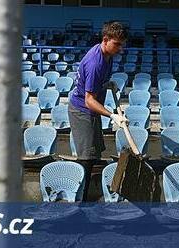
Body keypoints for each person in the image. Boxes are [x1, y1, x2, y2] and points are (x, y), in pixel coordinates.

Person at [68, 21, 128, 201]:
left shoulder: (107, 54)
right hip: (82, 110)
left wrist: (106, 84)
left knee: (95, 153)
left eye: (122, 44)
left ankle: (90, 193)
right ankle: (80, 200)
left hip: (90, 110)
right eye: (117, 44)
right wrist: (112, 115)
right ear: (105, 39)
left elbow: (94, 84)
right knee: (86, 157)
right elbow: (89, 100)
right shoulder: (96, 62)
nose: (120, 49)